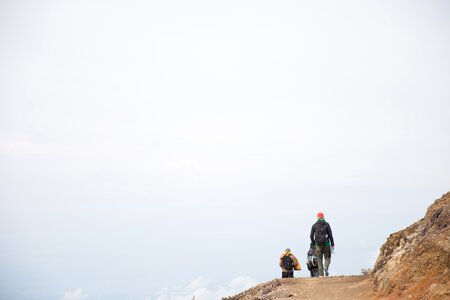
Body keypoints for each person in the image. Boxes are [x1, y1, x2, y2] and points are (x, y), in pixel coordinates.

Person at [310, 212, 335, 276]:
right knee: (327, 257)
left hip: (318, 244)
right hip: (326, 243)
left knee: (319, 259)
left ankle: (321, 275)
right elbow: (330, 234)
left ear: (317, 217)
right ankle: (326, 267)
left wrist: (313, 243)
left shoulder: (314, 225)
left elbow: (311, 236)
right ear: (323, 217)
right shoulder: (327, 224)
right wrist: (332, 243)